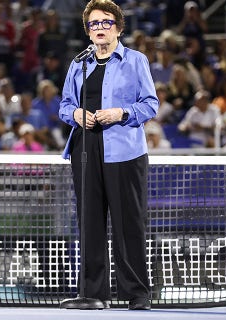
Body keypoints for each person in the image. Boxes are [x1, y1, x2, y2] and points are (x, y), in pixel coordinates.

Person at [58, 0, 158, 311]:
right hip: (85, 150)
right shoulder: (79, 64)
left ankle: (138, 293)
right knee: (89, 223)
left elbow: (151, 104)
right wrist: (76, 113)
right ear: (87, 31)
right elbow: (63, 106)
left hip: (125, 151)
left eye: (106, 22)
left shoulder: (135, 60)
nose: (100, 28)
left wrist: (122, 112)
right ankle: (92, 293)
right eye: (94, 24)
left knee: (129, 223)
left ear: (118, 27)